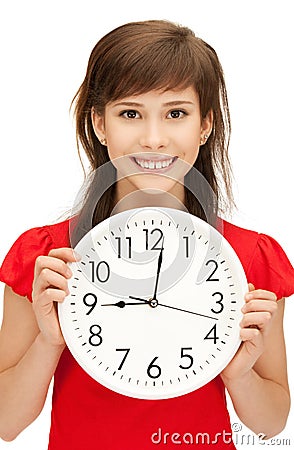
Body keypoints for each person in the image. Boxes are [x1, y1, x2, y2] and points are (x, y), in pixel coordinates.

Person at [0, 19, 293, 450]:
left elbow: (271, 426)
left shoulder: (249, 258)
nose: (154, 139)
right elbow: (6, 424)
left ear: (205, 125)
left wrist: (238, 373)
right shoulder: (47, 258)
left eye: (176, 114)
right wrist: (50, 340)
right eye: (130, 113)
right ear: (100, 124)